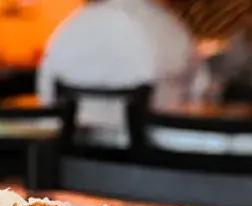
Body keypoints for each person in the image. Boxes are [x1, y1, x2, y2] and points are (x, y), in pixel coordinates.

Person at [37, 0, 196, 146]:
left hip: (68, 159)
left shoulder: (71, 27)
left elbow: (46, 94)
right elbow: (197, 95)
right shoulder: (166, 26)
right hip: (148, 160)